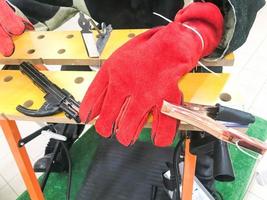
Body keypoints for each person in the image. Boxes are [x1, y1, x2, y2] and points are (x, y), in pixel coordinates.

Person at [0, 0, 265, 199]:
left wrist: (202, 25)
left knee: (199, 117)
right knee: (80, 95)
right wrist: (12, 8)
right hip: (111, 39)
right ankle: (62, 141)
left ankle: (201, 175)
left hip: (185, 42)